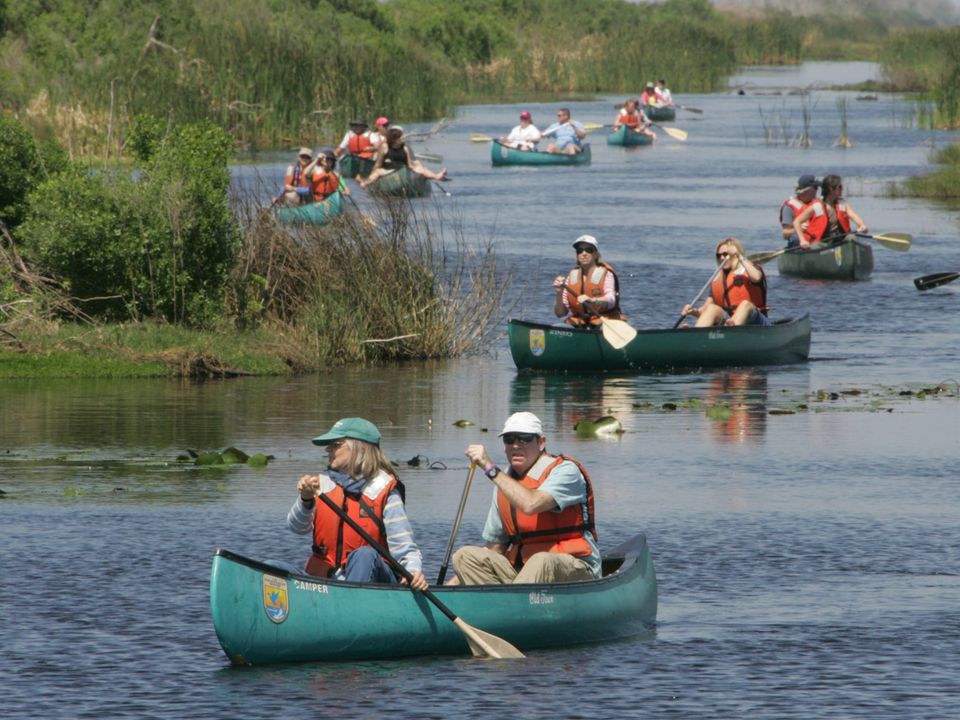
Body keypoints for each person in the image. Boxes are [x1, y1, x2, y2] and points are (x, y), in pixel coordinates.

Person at [450, 411, 600, 585]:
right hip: (524, 575)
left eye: (525, 439)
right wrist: (449, 588)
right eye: (509, 439)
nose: (516, 445)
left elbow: (531, 504)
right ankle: (504, 604)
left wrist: (489, 467)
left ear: (541, 442)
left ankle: (511, 605)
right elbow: (496, 548)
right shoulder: (505, 482)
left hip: (576, 569)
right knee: (464, 556)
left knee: (541, 561)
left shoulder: (566, 471)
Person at [284, 417, 428, 590]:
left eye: (335, 444)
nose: (328, 449)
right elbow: (296, 528)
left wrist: (413, 571)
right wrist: (305, 500)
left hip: (375, 583)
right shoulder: (321, 483)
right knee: (271, 568)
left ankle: (350, 607)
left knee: (364, 555)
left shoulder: (384, 488)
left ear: (358, 449)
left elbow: (404, 544)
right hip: (324, 582)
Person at [681, 237, 770, 327]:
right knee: (712, 308)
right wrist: (693, 311)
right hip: (730, 322)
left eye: (725, 254)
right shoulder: (718, 278)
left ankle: (731, 329)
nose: (722, 258)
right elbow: (705, 310)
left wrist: (739, 255)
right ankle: (695, 335)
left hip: (757, 322)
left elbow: (757, 277)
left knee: (745, 304)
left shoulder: (750, 269)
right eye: (718, 255)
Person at [552, 234, 623, 328]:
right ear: (577, 256)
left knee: (604, 329)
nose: (584, 253)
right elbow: (560, 314)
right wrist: (559, 293)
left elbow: (611, 300)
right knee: (557, 327)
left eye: (589, 250)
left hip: (604, 322)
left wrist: (592, 300)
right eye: (579, 250)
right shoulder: (570, 277)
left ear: (595, 254)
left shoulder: (607, 274)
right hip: (579, 324)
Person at [792, 174, 868, 249]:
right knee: (815, 247)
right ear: (831, 189)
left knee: (851, 238)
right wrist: (802, 240)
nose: (843, 189)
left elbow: (853, 216)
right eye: (840, 187)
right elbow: (796, 222)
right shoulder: (817, 206)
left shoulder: (842, 203)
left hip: (840, 238)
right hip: (823, 241)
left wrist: (862, 225)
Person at [358, 126, 448, 189]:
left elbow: (410, 164)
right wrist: (371, 174)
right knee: (377, 172)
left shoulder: (405, 147)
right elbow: (378, 164)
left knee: (419, 165)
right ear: (394, 139)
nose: (402, 139)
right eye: (400, 138)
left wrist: (418, 170)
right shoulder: (385, 147)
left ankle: (437, 176)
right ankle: (365, 183)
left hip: (403, 168)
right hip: (390, 169)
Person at [780, 174, 819, 248]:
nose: (817, 190)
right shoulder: (789, 207)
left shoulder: (819, 204)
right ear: (807, 190)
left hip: (817, 240)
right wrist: (798, 229)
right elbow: (785, 234)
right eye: (815, 187)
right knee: (795, 237)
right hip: (800, 244)